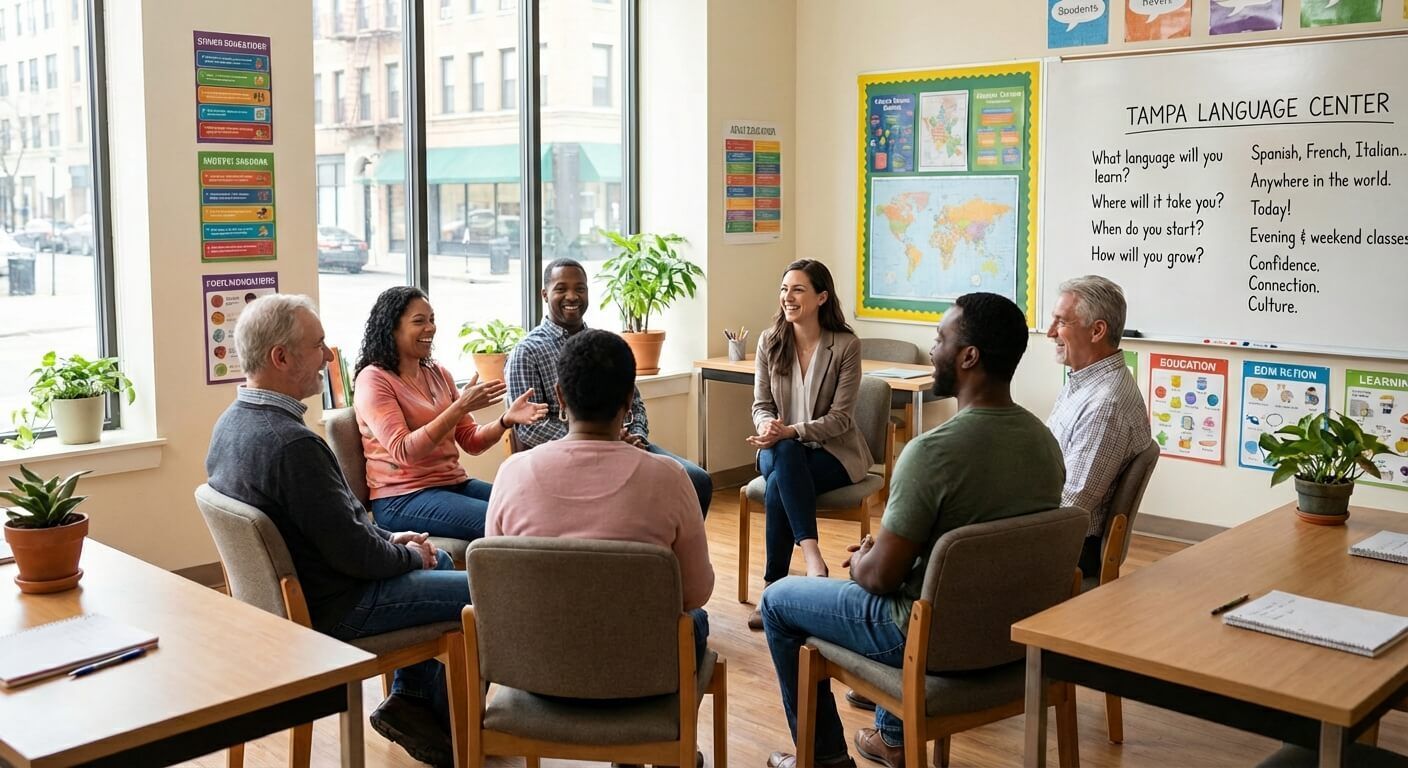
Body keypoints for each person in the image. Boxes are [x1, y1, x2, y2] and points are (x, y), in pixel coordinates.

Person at [761, 293, 1066, 768]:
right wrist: (889, 550)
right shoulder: (1045, 445)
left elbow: (881, 579)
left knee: (779, 600)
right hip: (1007, 634)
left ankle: (822, 760)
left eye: (941, 338)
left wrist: (866, 558)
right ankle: (894, 737)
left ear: (969, 357)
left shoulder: (932, 454)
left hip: (925, 636)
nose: (932, 349)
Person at [206, 294, 466, 768]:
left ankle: (414, 707)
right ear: (281, 358)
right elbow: (356, 558)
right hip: (335, 609)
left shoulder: (229, 425)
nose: (329, 357)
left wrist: (394, 541)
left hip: (291, 603)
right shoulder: (293, 445)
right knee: (477, 589)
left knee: (443, 559)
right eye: (319, 345)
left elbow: (343, 528)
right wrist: (409, 555)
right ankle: (460, 728)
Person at [488, 329, 713, 665]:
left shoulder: (511, 473)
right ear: (627, 400)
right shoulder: (671, 479)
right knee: (697, 621)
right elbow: (696, 592)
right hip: (641, 674)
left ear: (561, 397)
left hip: (537, 670)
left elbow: (497, 588)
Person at [505, 257, 713, 517]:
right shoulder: (526, 352)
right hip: (567, 456)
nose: (572, 296)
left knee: (698, 481)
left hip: (627, 445)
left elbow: (634, 402)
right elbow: (529, 428)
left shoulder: (604, 344)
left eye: (580, 288)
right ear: (545, 294)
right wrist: (602, 439)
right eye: (561, 288)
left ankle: (668, 557)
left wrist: (636, 438)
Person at [353, 286, 548, 542]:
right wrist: (459, 406)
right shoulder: (374, 379)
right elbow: (404, 451)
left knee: (538, 507)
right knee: (510, 520)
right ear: (392, 328)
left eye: (432, 320)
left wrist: (505, 420)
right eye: (419, 321)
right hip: (401, 498)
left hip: (452, 483)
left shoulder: (438, 373)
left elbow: (471, 441)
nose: (430, 328)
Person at [746, 259, 873, 632]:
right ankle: (813, 558)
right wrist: (768, 426)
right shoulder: (769, 341)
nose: (788, 297)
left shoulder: (846, 346)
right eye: (784, 289)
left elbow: (841, 419)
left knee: (777, 485)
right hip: (779, 450)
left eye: (798, 289)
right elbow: (760, 404)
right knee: (785, 457)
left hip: (833, 454)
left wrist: (792, 431)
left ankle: (772, 588)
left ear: (821, 297)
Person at [1045, 275, 1150, 580]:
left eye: (1061, 322)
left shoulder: (1106, 405)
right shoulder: (1084, 380)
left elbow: (1071, 507)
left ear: (1097, 330)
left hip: (1069, 549)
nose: (1050, 332)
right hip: (1060, 533)